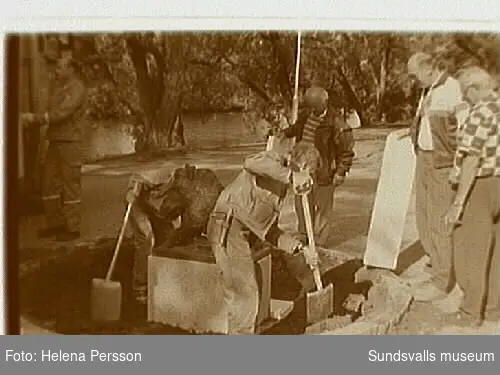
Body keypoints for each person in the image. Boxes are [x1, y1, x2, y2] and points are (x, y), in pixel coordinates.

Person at [207, 135, 321, 335]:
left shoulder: (281, 191)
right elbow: (250, 162)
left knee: (250, 290)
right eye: (309, 173)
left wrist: (301, 249)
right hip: (227, 226)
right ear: (300, 164)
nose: (308, 182)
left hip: (241, 234)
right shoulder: (273, 160)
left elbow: (269, 231)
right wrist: (292, 176)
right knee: (245, 295)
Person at [405, 52, 469, 301]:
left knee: (439, 219)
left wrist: (458, 165)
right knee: (423, 215)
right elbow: (427, 124)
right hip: (424, 158)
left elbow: (464, 130)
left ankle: (442, 281)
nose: (412, 80)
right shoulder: (428, 90)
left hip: (442, 163)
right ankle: (435, 263)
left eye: (414, 75)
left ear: (428, 68)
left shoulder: (452, 89)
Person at [444, 66, 500, 327]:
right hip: (498, 183)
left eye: (467, 94)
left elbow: (471, 159)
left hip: (479, 186)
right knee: (496, 252)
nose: (465, 99)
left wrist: (458, 203)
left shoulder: (481, 113)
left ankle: (469, 313)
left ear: (475, 90)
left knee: (472, 252)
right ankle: (491, 309)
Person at [125, 164, 224, 304]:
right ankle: (140, 287)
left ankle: (159, 283)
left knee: (165, 246)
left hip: (160, 210)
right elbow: (139, 175)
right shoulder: (163, 174)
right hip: (138, 203)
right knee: (147, 240)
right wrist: (132, 191)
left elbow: (189, 228)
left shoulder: (203, 192)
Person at [21, 55, 88, 242]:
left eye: (60, 67)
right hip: (56, 140)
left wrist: (35, 119)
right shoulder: (61, 87)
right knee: (49, 183)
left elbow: (62, 113)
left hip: (70, 142)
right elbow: (53, 110)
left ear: (71, 69)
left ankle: (73, 228)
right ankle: (56, 223)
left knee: (70, 185)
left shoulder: (77, 89)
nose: (56, 71)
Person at [281, 86, 355, 247]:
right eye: (310, 106)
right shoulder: (306, 114)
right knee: (302, 202)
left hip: (324, 169)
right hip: (301, 166)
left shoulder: (337, 122)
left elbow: (346, 150)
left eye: (315, 106)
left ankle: (319, 241)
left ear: (325, 101)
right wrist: (284, 133)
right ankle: (304, 234)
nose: (313, 109)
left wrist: (341, 172)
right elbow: (297, 128)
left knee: (322, 207)